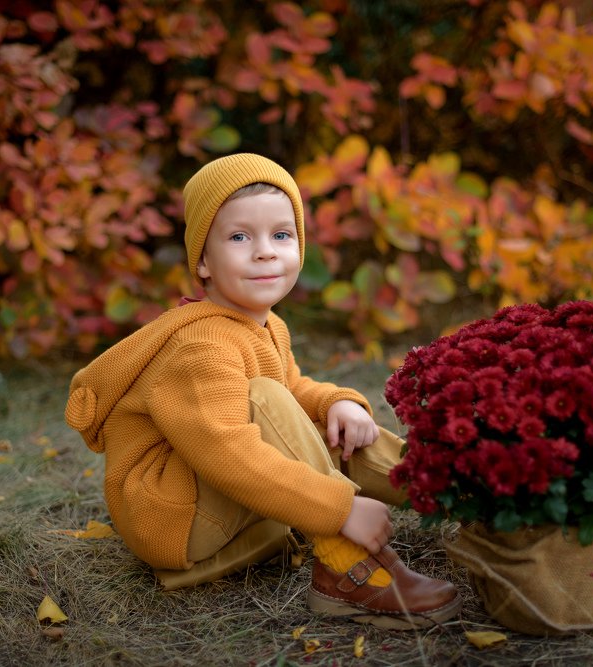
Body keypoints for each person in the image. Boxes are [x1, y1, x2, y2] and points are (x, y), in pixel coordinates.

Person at [65, 153, 461, 629]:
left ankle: (453, 494)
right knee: (264, 401)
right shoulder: (202, 345)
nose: (265, 251)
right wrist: (340, 510)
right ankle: (345, 565)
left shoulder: (264, 324)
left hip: (214, 491)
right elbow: (229, 453)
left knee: (318, 415)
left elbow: (293, 388)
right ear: (204, 262)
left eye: (281, 235)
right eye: (239, 237)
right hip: (174, 515)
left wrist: (336, 400)